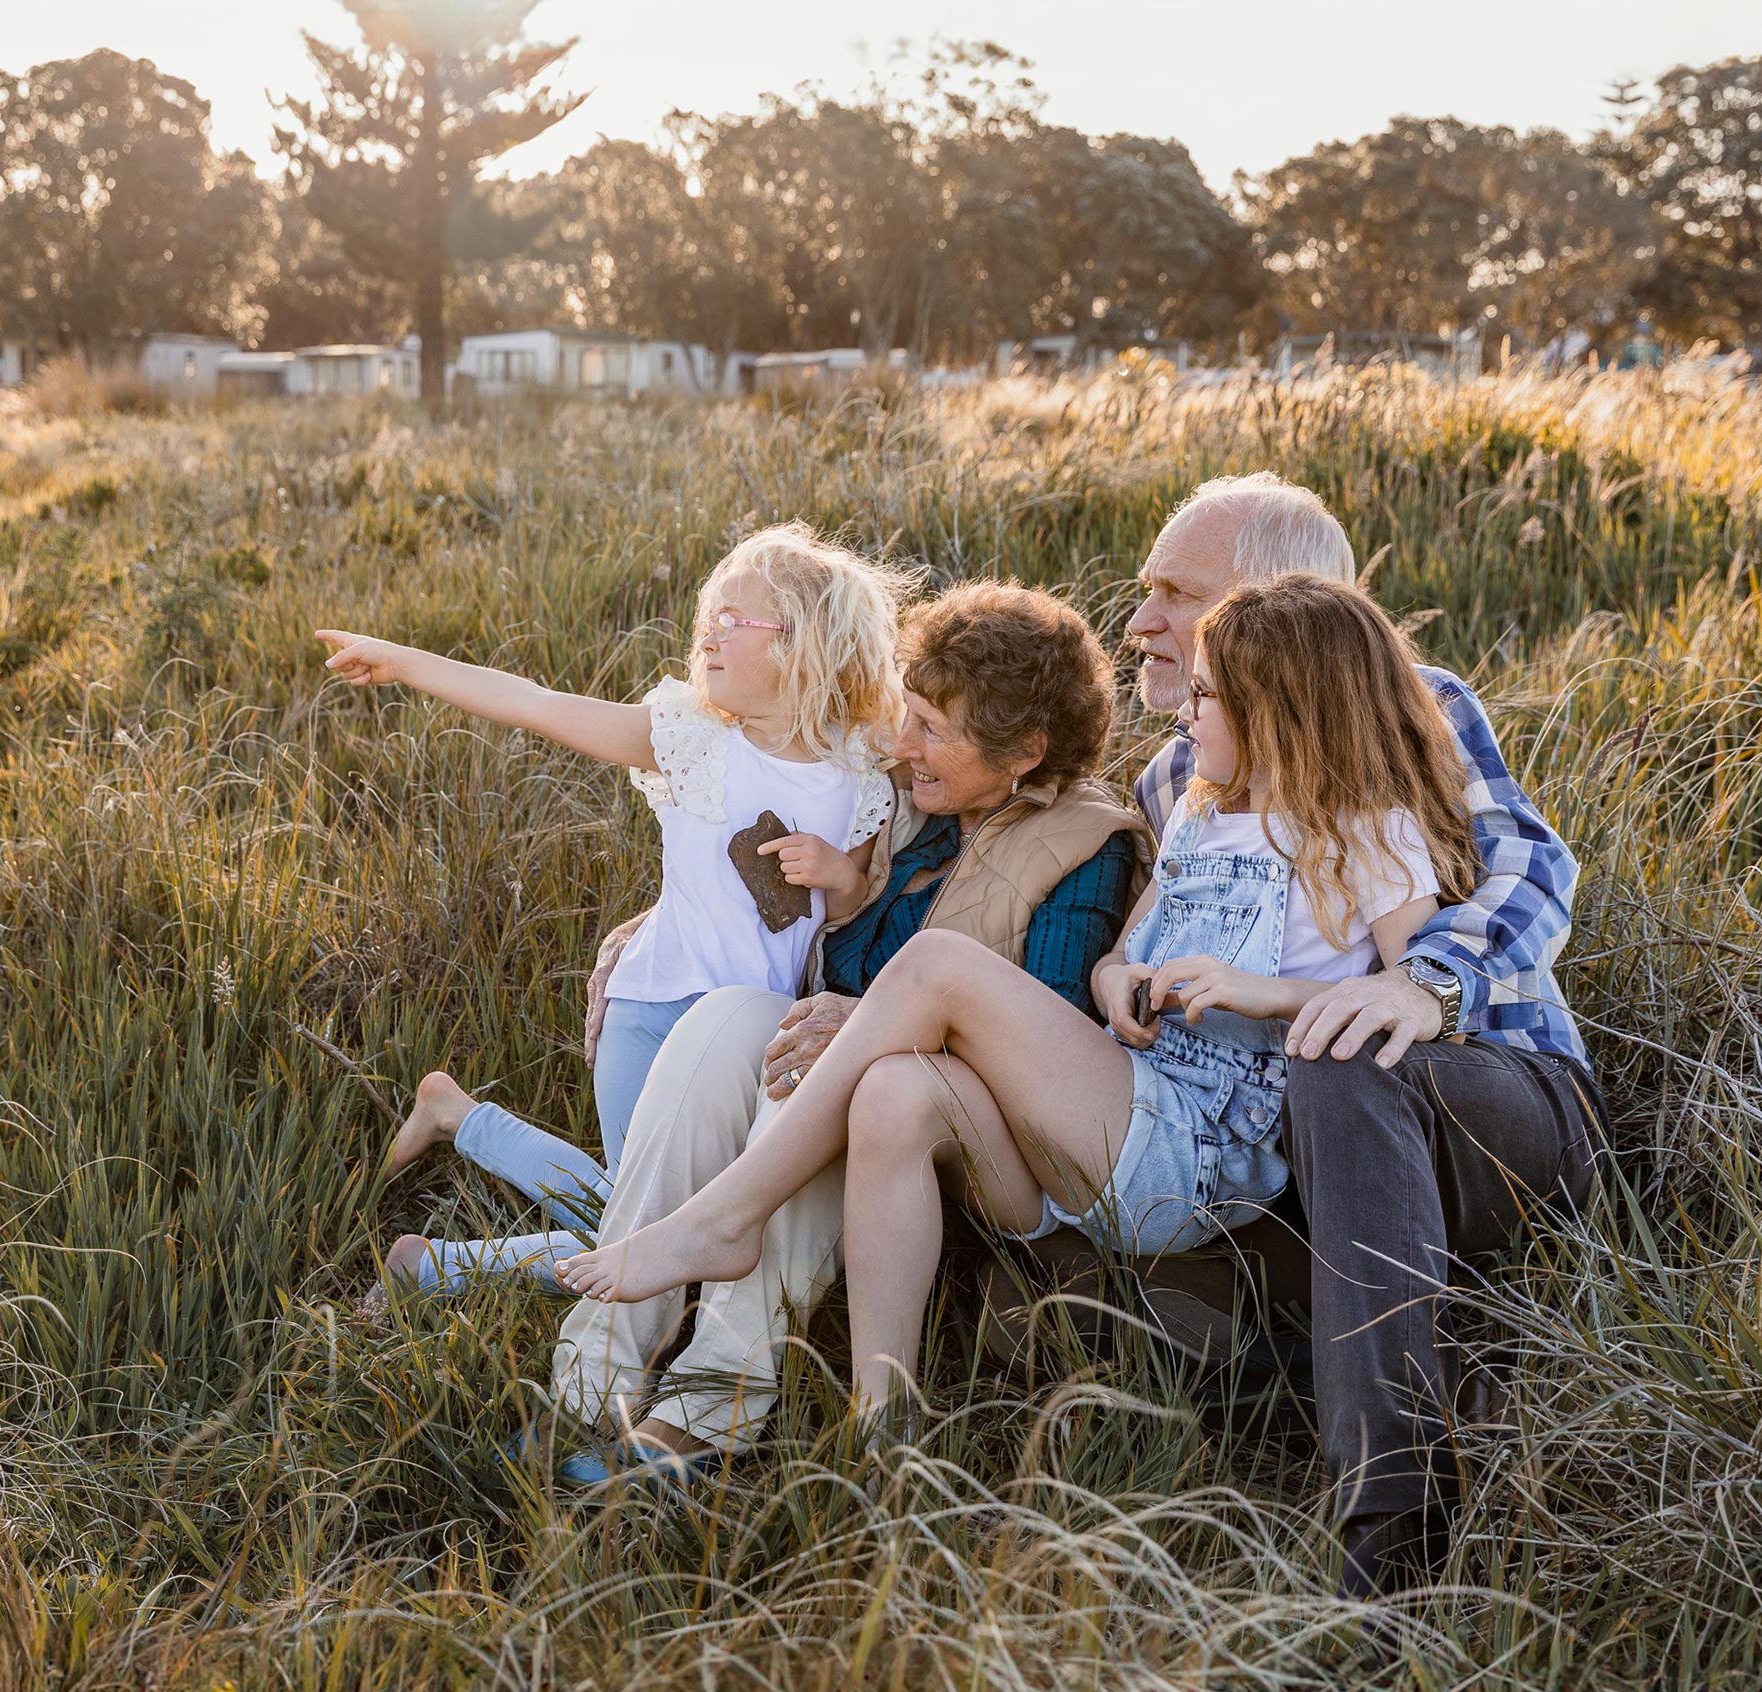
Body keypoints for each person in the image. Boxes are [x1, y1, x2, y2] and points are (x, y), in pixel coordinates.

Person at [584, 473, 1608, 1599]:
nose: (1143, 624)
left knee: (1324, 1067)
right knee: (895, 1095)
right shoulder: (1187, 773)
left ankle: (1389, 1524)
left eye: (1179, 595)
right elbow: (1098, 904)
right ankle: (888, 1447)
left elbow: (1525, 869)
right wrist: (695, 913)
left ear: (1280, 609)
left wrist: (1424, 985)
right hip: (1175, 1108)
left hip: (1453, 1080)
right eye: (1147, 592)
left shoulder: (1391, 712)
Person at [557, 574, 1483, 1394]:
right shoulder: (1202, 816)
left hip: (1204, 1154)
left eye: (1205, 698)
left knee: (939, 968)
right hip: (1109, 1121)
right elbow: (1124, 950)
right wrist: (1120, 977)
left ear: (1283, 710)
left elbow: (1413, 992)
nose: (1184, 715)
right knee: (892, 1092)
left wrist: (1263, 992)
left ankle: (726, 1214)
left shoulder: (1371, 832)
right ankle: (882, 1425)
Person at [531, 582, 1145, 1481]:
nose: (904, 746)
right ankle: (594, 1374)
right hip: (852, 1073)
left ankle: (714, 1404)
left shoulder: (1089, 845)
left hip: (991, 1144)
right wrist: (649, 925)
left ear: (1024, 750)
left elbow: (1043, 1038)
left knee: (843, 1071)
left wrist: (868, 1021)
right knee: (730, 1018)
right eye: (910, 714)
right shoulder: (909, 806)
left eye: (935, 729)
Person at [316, 522, 907, 1294]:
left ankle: (454, 1128)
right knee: (648, 1228)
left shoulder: (858, 774)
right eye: (705, 621)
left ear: (803, 643)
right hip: (652, 1012)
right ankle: (429, 1266)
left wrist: (839, 873)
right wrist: (404, 661)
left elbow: (851, 906)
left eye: (732, 622)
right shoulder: (694, 742)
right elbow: (535, 703)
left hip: (751, 1037)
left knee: (655, 1216)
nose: (707, 638)